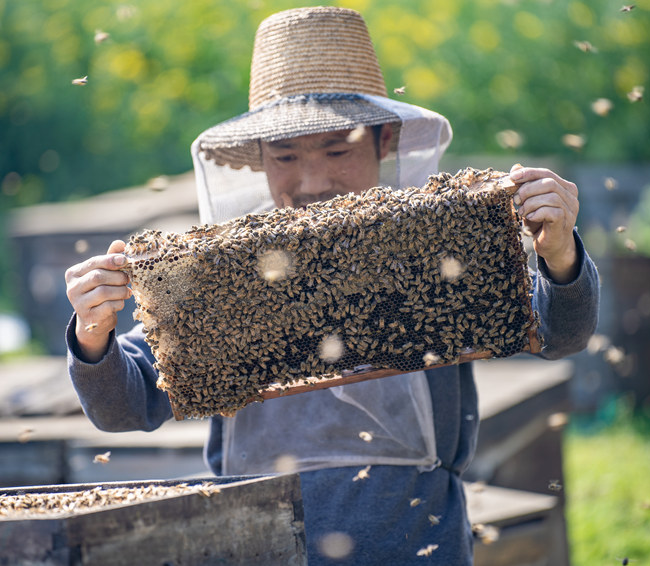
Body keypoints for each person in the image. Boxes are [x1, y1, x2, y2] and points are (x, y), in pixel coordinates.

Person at [64, 7, 599, 565]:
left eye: (338, 150)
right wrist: (93, 334)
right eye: (286, 156)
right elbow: (126, 404)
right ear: (258, 161)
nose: (313, 181)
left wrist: (559, 256)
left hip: (414, 540)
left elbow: (559, 333)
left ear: (384, 140)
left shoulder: (438, 249)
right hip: (257, 543)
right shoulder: (225, 270)